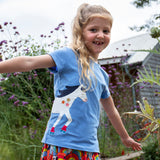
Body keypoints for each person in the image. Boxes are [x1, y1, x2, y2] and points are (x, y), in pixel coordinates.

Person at [0, 3, 142, 160]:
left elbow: (111, 110)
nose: (100, 35)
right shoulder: (68, 56)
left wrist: (125, 137)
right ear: (80, 32)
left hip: (89, 148)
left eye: (105, 31)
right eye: (93, 30)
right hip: (61, 144)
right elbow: (29, 62)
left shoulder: (102, 75)